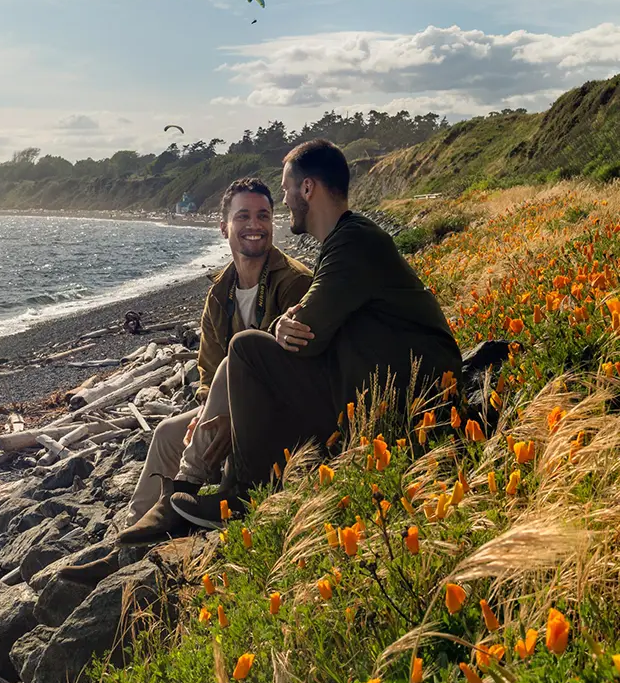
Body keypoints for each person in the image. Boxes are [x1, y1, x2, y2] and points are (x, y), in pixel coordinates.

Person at [170, 139, 463, 530]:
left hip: (408, 398)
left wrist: (282, 325)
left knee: (245, 349)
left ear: (307, 188)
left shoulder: (353, 241)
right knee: (253, 358)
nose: (287, 200)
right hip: (381, 389)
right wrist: (288, 324)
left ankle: (242, 494)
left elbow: (307, 334)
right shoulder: (343, 242)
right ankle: (218, 487)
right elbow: (311, 321)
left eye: (289, 189)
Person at [60, 176, 312, 584]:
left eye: (263, 215)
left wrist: (222, 412)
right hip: (229, 409)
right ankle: (125, 545)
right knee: (165, 433)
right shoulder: (220, 292)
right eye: (243, 216)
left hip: (278, 415)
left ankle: (181, 497)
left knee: (234, 370)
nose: (255, 224)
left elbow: (298, 366)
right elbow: (209, 371)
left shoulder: (294, 282)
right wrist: (204, 410)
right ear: (224, 226)